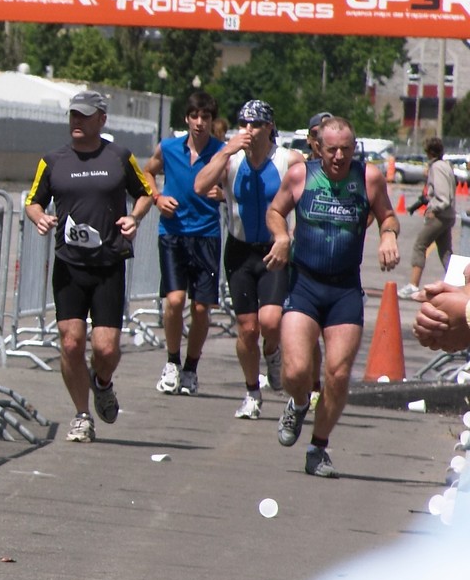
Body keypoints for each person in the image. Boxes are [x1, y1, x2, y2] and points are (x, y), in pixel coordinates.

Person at [265, 115, 399, 478]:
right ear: (318, 148)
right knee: (296, 370)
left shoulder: (368, 178)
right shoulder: (300, 176)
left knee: (338, 374)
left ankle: (318, 448)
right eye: (332, 150)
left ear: (354, 148)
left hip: (344, 289)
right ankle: (298, 402)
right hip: (305, 284)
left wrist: (388, 235)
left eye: (346, 149)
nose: (339, 156)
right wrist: (282, 236)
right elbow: (275, 211)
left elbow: (388, 216)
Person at [23, 90, 155, 444]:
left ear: (102, 119)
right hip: (69, 265)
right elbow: (33, 201)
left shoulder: (119, 157)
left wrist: (134, 217)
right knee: (70, 343)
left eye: (84, 115)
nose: (76, 121)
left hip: (108, 264)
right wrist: (39, 217)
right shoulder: (53, 161)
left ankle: (102, 383)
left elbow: (145, 192)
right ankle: (82, 415)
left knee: (106, 349)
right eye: (73, 115)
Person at [194, 99, 296, 420]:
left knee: (271, 322)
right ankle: (252, 391)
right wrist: (225, 151)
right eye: (243, 124)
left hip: (273, 250)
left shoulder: (288, 160)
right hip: (239, 250)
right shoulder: (232, 159)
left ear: (269, 127)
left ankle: (273, 352)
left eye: (255, 124)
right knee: (248, 328)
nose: (248, 130)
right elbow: (200, 186)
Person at [143, 90, 226, 396]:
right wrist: (157, 197)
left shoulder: (221, 152)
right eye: (195, 116)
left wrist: (223, 194)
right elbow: (147, 172)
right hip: (173, 232)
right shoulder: (168, 147)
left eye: (206, 117)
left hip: (206, 234)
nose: (200, 122)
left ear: (212, 120)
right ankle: (172, 361)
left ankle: (191, 368)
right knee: (175, 300)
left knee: (201, 308)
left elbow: (236, 187)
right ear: (186, 119)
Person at [399, 136, 454, 301]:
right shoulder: (446, 166)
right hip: (449, 215)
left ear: (430, 152)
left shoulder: (437, 167)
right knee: (446, 252)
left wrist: (434, 209)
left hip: (439, 215)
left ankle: (413, 285)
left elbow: (443, 196)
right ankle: (459, 285)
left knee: (420, 245)